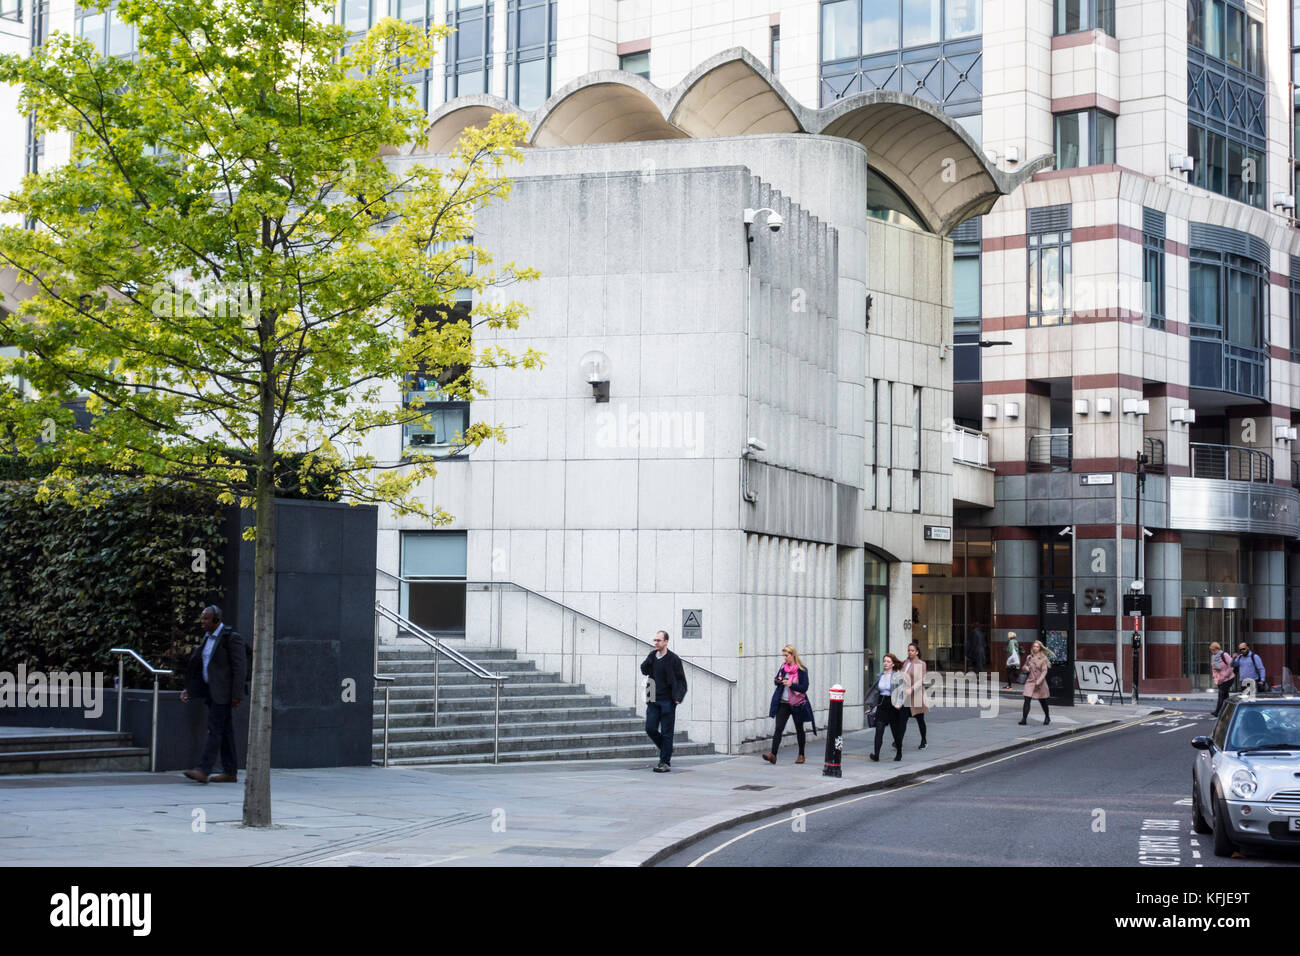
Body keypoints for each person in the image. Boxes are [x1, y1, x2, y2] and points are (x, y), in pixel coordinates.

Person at [180, 605, 247, 784]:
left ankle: (204, 769)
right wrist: (190, 689)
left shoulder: (231, 638)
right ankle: (230, 771)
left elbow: (240, 668)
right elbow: (199, 666)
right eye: (202, 618)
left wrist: (237, 694)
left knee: (215, 729)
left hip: (224, 693)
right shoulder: (206, 639)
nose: (202, 622)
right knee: (225, 731)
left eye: (206, 619)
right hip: (211, 691)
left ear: (217, 620)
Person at [640, 630, 687, 773]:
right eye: (654, 640)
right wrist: (649, 660)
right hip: (652, 697)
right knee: (650, 728)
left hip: (668, 700)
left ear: (666, 642)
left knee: (667, 732)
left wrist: (678, 697)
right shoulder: (652, 656)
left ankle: (664, 762)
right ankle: (667, 749)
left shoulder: (674, 659)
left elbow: (681, 681)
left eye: (658, 640)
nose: (656, 643)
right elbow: (644, 670)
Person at [763, 645, 817, 764]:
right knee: (778, 728)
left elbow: (804, 687)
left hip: (797, 703)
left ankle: (801, 755)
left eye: (786, 656)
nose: (785, 658)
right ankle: (773, 754)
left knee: (799, 729)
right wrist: (778, 680)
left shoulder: (802, 670)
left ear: (793, 655)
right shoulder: (783, 667)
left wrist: (791, 684)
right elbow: (777, 680)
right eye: (784, 656)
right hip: (783, 703)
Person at [865, 652, 909, 762]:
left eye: (888, 661)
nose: (885, 663)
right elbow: (876, 692)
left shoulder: (897, 676)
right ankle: (876, 755)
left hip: (893, 705)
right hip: (881, 704)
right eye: (884, 661)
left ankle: (899, 752)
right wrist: (871, 706)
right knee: (879, 730)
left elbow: (900, 691)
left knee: (895, 731)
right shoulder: (879, 676)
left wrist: (899, 704)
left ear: (893, 664)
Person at [902, 641, 929, 750]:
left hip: (916, 695)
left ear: (917, 652)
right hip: (906, 696)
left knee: (920, 719)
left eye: (912, 650)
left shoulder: (920, 664)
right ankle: (898, 740)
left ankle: (924, 740)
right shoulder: (905, 662)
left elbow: (920, 680)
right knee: (902, 719)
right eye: (909, 650)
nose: (910, 652)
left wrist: (911, 689)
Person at [1018, 640, 1050, 726]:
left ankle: (1047, 717)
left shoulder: (1043, 658)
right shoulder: (1029, 657)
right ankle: (1024, 719)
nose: (1035, 648)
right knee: (1027, 700)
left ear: (1040, 648)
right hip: (1030, 681)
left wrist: (1039, 681)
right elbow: (1024, 666)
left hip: (1040, 683)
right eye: (1034, 646)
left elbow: (1044, 671)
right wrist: (1025, 668)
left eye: (1037, 647)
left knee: (1043, 701)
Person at [1210, 641, 1235, 717]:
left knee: (1221, 694)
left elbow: (1231, 665)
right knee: (1225, 695)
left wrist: (1226, 675)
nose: (1213, 651)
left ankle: (1217, 712)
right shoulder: (1213, 657)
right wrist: (1215, 678)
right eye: (1211, 650)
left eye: (1214, 650)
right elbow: (1214, 669)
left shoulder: (1225, 655)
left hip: (1228, 678)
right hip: (1220, 680)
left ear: (1218, 649)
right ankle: (1228, 711)